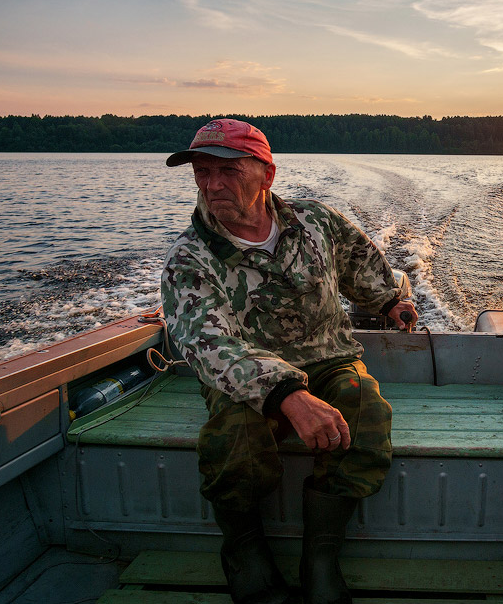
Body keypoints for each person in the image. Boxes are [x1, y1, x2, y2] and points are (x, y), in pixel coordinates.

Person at [161, 118, 415, 604]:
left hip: (328, 357)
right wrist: (287, 395)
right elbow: (206, 344)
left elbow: (358, 262)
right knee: (233, 433)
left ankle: (320, 556)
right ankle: (243, 548)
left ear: (267, 175)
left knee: (364, 406)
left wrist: (387, 301)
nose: (212, 184)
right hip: (244, 375)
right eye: (202, 172)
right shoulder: (190, 258)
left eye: (229, 171)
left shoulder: (316, 222)